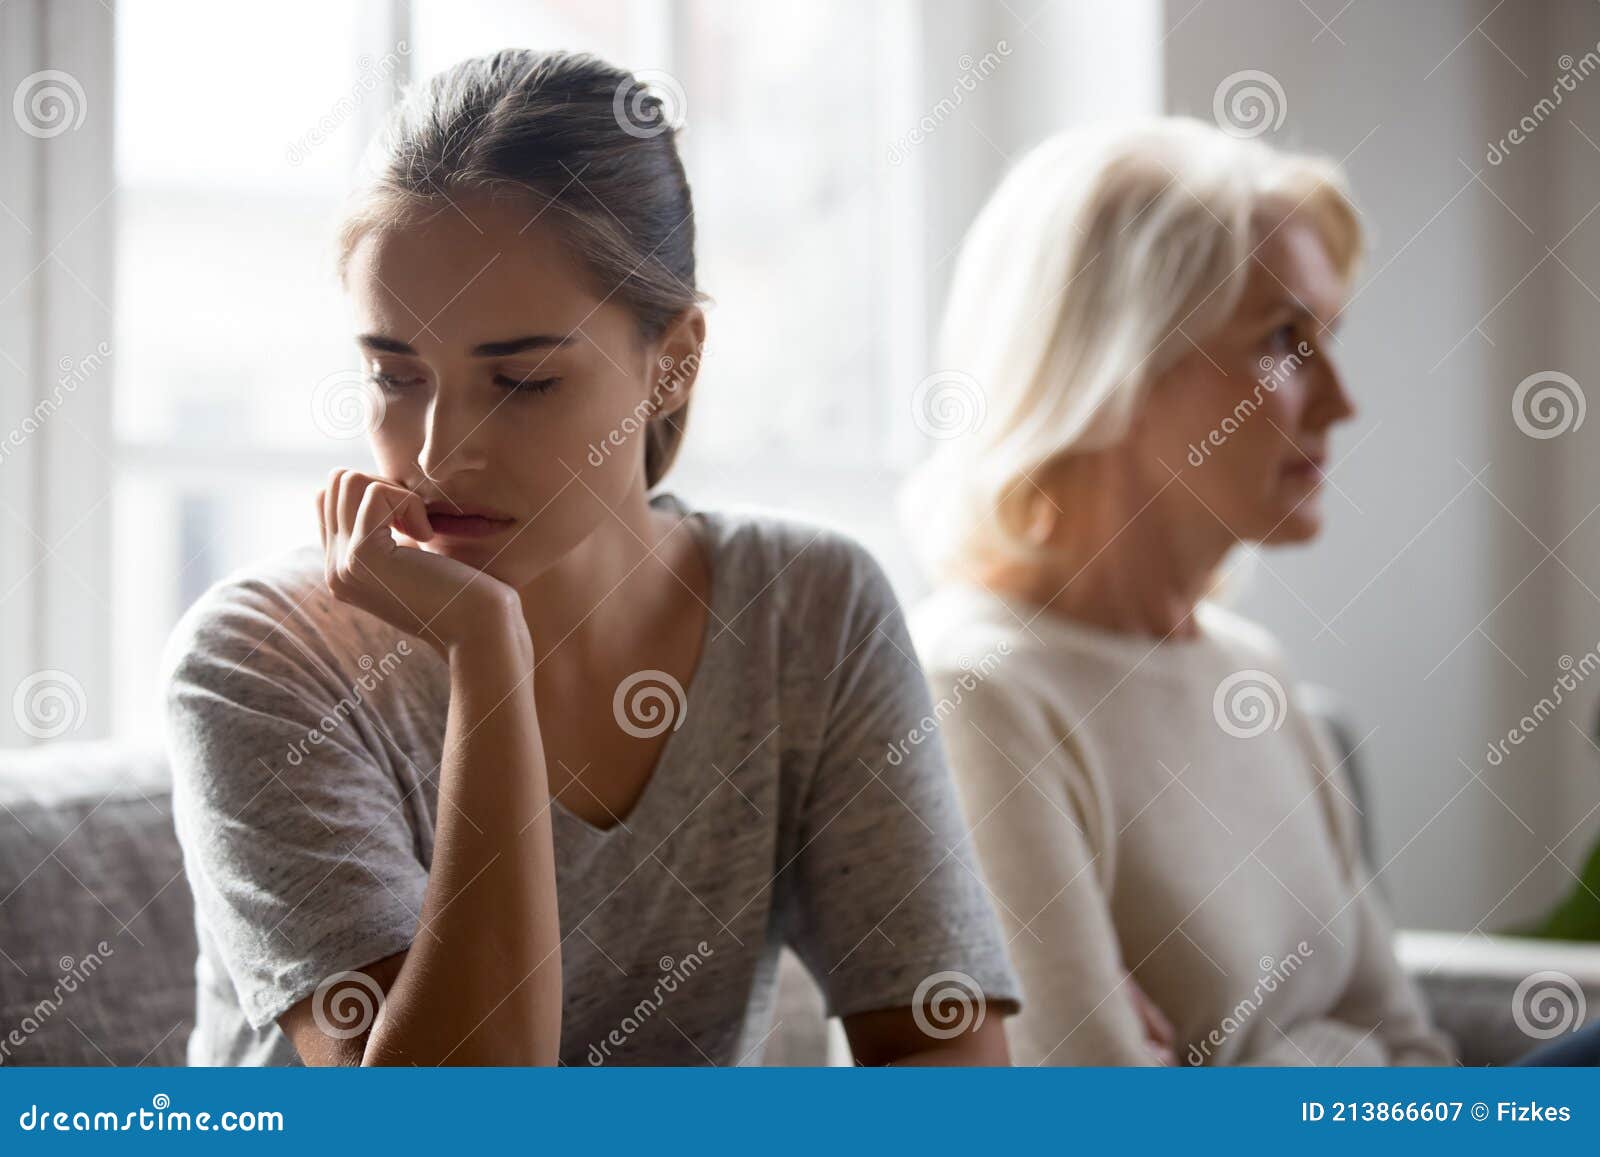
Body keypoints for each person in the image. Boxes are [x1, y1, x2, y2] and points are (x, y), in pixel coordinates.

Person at [163, 48, 1018, 1067]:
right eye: (395, 376)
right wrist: (490, 655)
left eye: (522, 381)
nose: (437, 454)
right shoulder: (260, 659)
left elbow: (947, 1070)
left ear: (674, 362)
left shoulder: (807, 608)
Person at [902, 117, 1457, 1066]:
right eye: (1284, 340)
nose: (1341, 401)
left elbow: (1415, 1057)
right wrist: (1328, 1055)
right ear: (1114, 363)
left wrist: (1242, 1066)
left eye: (1328, 336)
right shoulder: (977, 693)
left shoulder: (1252, 668)